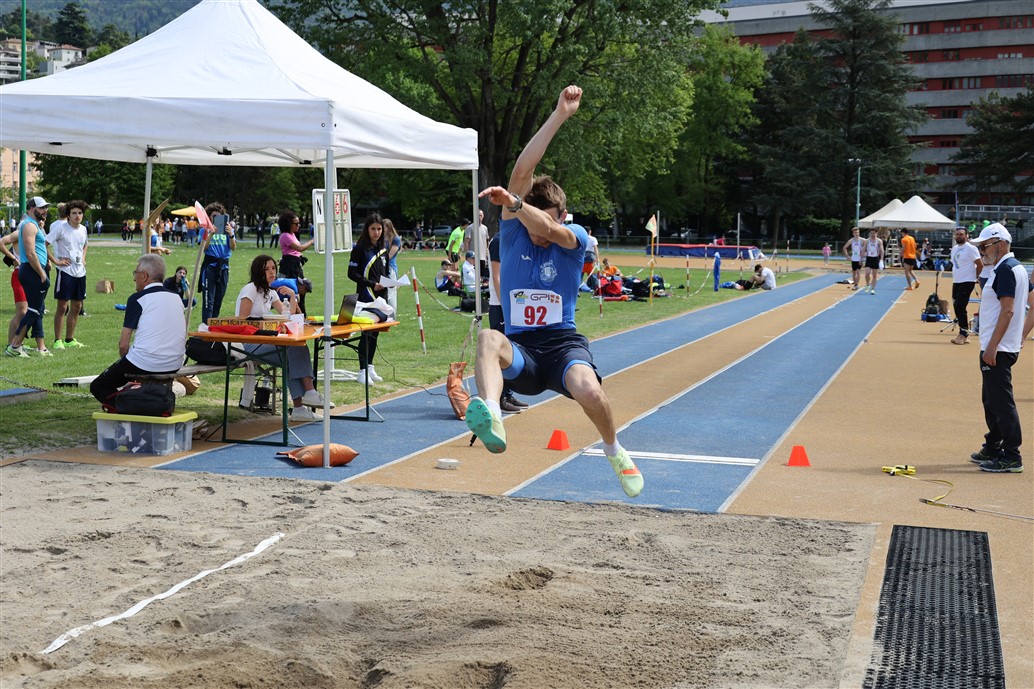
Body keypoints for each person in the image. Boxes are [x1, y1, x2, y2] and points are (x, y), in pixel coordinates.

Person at [470, 85, 643, 499]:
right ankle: (492, 415)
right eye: (528, 220)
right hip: (523, 353)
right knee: (488, 337)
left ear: (563, 216)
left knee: (589, 389)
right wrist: (559, 115)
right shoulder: (514, 232)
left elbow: (547, 227)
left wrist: (517, 205)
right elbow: (523, 170)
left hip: (563, 347)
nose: (537, 232)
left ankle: (614, 450)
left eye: (542, 222)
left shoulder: (573, 238)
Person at [233, 255, 327, 422]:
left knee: (294, 350)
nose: (272, 272)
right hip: (247, 344)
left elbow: (289, 316)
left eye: (273, 269)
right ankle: (309, 393)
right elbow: (241, 321)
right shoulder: (250, 289)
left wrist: (292, 296)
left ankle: (299, 408)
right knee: (294, 348)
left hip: (264, 340)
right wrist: (265, 326)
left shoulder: (270, 292)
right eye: (267, 269)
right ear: (258, 271)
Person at [967, 224, 1026, 474]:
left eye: (984, 246)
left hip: (997, 349)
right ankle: (993, 445)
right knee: (991, 400)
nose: (981, 251)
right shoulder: (1014, 267)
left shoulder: (1005, 270)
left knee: (1001, 402)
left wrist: (992, 346)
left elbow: (1008, 310)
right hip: (1001, 345)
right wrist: (1021, 335)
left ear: (1001, 244)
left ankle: (1012, 455)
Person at [89, 255, 186, 406]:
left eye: (136, 273)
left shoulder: (138, 298)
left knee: (98, 386)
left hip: (145, 362)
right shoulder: (176, 298)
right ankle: (144, 402)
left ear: (144, 276)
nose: (134, 278)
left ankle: (131, 408)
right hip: (175, 362)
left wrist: (127, 365)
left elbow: (123, 345)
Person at [5, 197, 53, 357]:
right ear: (31, 209)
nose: (45, 210)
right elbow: (31, 253)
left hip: (33, 270)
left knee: (37, 309)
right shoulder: (29, 226)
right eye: (41, 208)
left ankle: (41, 348)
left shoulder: (34, 225)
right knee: (33, 310)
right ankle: (15, 346)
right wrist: (42, 273)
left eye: (46, 207)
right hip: (32, 271)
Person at [486, 232, 528, 414]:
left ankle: (508, 393)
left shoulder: (516, 239)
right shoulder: (498, 241)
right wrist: (506, 305)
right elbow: (497, 276)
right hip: (501, 305)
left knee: (511, 351)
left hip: (515, 302)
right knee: (499, 353)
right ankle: (500, 397)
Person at [348, 214, 389, 385]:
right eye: (373, 229)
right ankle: (362, 371)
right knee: (366, 334)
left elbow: (385, 273)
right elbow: (351, 273)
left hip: (381, 298)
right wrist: (371, 284)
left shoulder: (383, 249)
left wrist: (390, 283)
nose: (376, 232)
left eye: (379, 229)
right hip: (366, 296)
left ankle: (370, 366)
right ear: (367, 229)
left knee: (375, 334)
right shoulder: (359, 249)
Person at [47, 199, 90, 349]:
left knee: (77, 306)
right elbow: (44, 244)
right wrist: (56, 261)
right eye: (74, 213)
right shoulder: (61, 229)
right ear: (68, 215)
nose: (77, 216)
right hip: (65, 272)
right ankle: (57, 340)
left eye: (80, 213)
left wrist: (83, 258)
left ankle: (69, 339)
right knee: (62, 307)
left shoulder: (83, 229)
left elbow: (85, 245)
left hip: (80, 272)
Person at [199, 202, 236, 323]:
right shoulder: (204, 230)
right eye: (213, 216)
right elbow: (203, 247)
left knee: (218, 300)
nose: (216, 219)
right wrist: (211, 233)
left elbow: (233, 247)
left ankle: (213, 325)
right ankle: (205, 326)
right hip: (210, 266)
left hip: (223, 267)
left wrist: (231, 235)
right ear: (209, 217)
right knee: (208, 301)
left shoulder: (228, 230)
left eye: (218, 216)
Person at [277, 209, 313, 315]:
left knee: (302, 293)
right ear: (288, 224)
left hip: (296, 265)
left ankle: (302, 317)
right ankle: (296, 317)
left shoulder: (292, 234)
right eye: (296, 224)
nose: (298, 226)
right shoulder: (285, 235)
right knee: (294, 295)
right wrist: (313, 240)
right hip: (290, 268)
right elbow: (300, 248)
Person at [948, 227, 981, 345]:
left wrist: (976, 277)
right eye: (957, 234)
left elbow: (980, 264)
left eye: (961, 234)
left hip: (967, 281)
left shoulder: (971, 248)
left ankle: (963, 333)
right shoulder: (954, 249)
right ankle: (963, 332)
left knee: (960, 306)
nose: (959, 236)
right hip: (957, 281)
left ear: (967, 236)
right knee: (956, 305)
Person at [0, 229, 29, 354]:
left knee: (28, 312)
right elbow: (1, 242)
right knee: (21, 312)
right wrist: (13, 258)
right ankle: (11, 344)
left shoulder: (37, 231)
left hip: (32, 276)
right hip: (19, 275)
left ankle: (19, 343)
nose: (41, 221)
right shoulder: (20, 232)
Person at [383, 218, 403, 312]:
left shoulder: (396, 239)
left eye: (384, 227)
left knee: (391, 294)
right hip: (381, 267)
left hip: (390, 267)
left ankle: (392, 315)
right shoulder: (381, 238)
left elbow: (390, 255)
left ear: (389, 227)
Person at [463, 210, 490, 278]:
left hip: (482, 256)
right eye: (478, 215)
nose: (479, 217)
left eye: (480, 215)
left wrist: (487, 253)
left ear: (483, 216)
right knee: (474, 276)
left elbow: (486, 242)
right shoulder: (470, 228)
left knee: (482, 275)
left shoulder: (485, 228)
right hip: (473, 257)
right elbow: (466, 242)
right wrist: (467, 255)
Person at [862, 228, 883, 295]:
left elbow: (882, 250)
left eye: (874, 233)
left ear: (876, 233)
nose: (872, 234)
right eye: (871, 233)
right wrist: (861, 259)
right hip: (869, 258)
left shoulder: (879, 241)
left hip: (875, 258)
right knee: (867, 273)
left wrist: (881, 259)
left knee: (874, 275)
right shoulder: (867, 241)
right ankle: (868, 285)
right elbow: (863, 249)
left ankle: (873, 289)